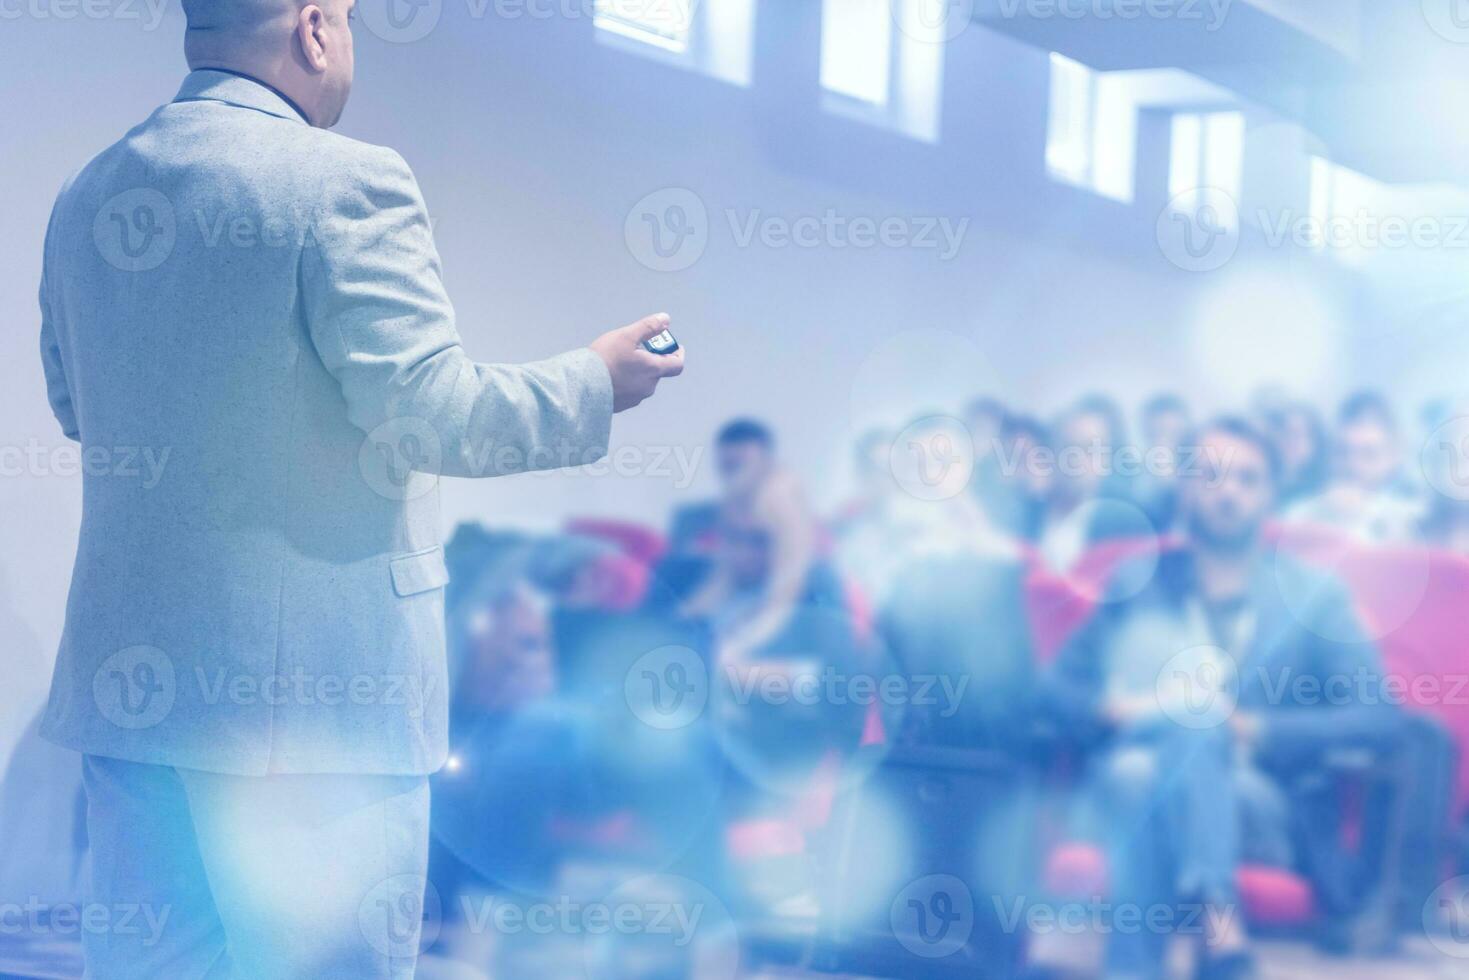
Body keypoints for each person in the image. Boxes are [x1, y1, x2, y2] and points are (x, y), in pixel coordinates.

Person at [35, 3, 684, 977]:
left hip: (133, 700)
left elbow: (75, 404)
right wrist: (594, 378)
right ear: (312, 29)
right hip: (318, 712)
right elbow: (432, 409)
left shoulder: (88, 195)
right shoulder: (342, 180)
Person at [1044, 418, 1399, 980]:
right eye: (1210, 476)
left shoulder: (1315, 595)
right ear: (1184, 488)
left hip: (1262, 801)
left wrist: (1252, 728)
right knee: (1151, 767)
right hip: (1133, 778)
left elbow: (1380, 720)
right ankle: (1219, 926)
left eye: (1247, 479)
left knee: (1155, 764)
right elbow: (1056, 692)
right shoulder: (1137, 581)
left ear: (1270, 495)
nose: (1228, 491)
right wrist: (1108, 710)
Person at [1287, 391, 1424, 542]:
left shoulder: (1415, 527)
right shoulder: (1297, 515)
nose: (1353, 465)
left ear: (1393, 458)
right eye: (1342, 452)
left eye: (1368, 454)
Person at [1133, 393, 1191, 531]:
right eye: (1161, 432)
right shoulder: (1133, 481)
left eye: (1175, 433)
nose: (1168, 442)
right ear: (1147, 433)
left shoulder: (1197, 479)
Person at [1261, 400, 1329, 511]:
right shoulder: (1254, 486)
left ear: (1316, 445)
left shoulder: (1324, 496)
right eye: (1287, 431)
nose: (1292, 440)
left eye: (1301, 434)